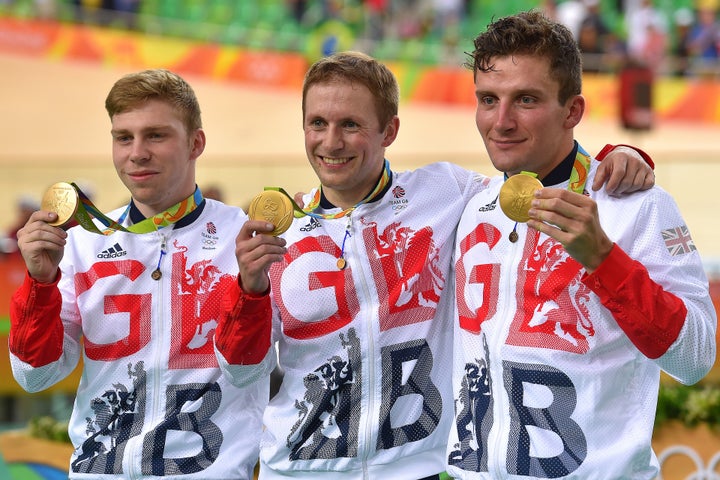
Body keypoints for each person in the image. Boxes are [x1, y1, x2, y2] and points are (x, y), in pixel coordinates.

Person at [214, 50, 656, 479]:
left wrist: (621, 158)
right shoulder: (277, 235)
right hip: (298, 471)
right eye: (318, 124)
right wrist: (249, 292)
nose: (331, 142)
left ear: (389, 130)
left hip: (420, 469)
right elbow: (240, 372)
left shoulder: (447, 193)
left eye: (351, 124)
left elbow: (532, 174)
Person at [447, 11, 716, 479]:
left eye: (525, 99)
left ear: (572, 111)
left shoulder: (638, 206)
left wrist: (605, 261)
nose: (501, 121)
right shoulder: (468, 203)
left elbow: (695, 358)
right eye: (488, 99)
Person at [9, 69, 266, 479]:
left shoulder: (247, 240)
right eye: (123, 137)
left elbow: (250, 371)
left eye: (156, 136)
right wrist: (40, 286)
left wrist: (252, 291)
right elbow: (35, 377)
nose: (137, 153)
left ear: (195, 142)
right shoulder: (81, 244)